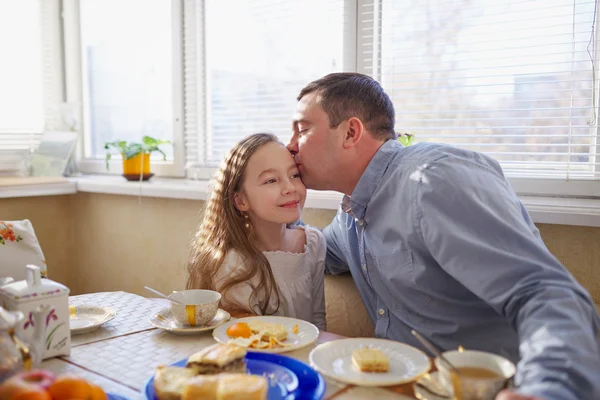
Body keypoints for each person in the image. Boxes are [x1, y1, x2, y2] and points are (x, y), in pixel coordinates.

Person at [287, 72, 600, 399]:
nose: (290, 145)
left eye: (302, 129)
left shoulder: (432, 181)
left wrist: (550, 390)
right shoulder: (351, 215)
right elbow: (312, 250)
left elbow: (544, 292)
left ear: (351, 132)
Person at [187, 133, 326, 331]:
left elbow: (318, 322)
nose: (289, 187)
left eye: (294, 175)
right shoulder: (233, 263)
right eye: (271, 180)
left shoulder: (313, 243)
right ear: (241, 201)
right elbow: (250, 338)